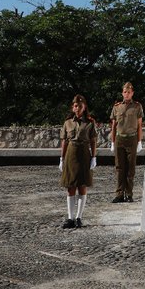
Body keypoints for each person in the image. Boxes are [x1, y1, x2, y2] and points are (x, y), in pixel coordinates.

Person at [59, 93, 97, 229]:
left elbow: (93, 141)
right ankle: (70, 218)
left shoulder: (90, 123)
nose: (77, 108)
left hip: (84, 154)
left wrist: (94, 157)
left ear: (84, 107)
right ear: (72, 107)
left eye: (80, 106)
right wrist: (61, 159)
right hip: (70, 154)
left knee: (82, 186)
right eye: (75, 106)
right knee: (70, 187)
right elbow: (64, 142)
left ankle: (79, 217)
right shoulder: (67, 122)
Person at [110, 81, 144, 203]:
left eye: (129, 92)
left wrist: (139, 141)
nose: (127, 94)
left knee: (130, 168)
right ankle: (119, 194)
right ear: (122, 93)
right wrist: (112, 142)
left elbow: (139, 125)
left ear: (132, 93)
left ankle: (129, 194)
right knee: (119, 168)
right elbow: (113, 126)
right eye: (125, 92)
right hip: (120, 138)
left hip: (132, 138)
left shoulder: (137, 107)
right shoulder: (117, 107)